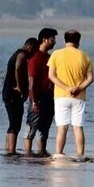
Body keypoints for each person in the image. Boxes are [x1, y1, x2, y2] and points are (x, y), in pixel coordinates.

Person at [46, 30, 94, 160]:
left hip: (61, 96)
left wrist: (66, 88)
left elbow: (51, 76)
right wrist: (78, 88)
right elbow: (90, 79)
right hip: (79, 97)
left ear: (64, 40)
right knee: (78, 127)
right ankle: (80, 154)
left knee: (62, 127)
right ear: (78, 41)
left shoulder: (56, 54)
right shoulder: (85, 56)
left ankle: (59, 153)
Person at [23, 28, 59, 157]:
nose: (54, 42)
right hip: (38, 96)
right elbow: (31, 80)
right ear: (45, 40)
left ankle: (42, 151)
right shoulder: (35, 57)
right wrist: (34, 100)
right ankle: (28, 152)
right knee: (32, 125)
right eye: (52, 39)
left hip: (49, 96)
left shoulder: (49, 57)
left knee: (45, 126)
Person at [0, 37, 37, 156]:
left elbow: (6, 73)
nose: (33, 55)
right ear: (30, 47)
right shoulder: (22, 55)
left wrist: (6, 85)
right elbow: (17, 67)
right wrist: (19, 87)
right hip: (13, 94)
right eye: (34, 51)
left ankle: (8, 149)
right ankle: (12, 150)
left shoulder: (15, 54)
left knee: (12, 123)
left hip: (7, 93)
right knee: (15, 124)